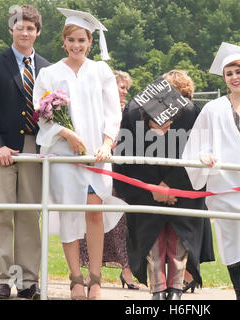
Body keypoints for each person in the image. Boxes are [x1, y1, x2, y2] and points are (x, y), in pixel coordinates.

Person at [33, 8, 123, 300]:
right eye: (71, 39)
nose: (76, 45)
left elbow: (113, 112)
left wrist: (107, 144)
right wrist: (68, 135)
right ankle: (75, 278)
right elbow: (43, 115)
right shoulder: (49, 73)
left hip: (96, 153)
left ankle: (95, 278)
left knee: (94, 211)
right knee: (69, 212)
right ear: (64, 41)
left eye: (82, 40)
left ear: (89, 42)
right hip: (63, 154)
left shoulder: (101, 71)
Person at [181, 42, 240, 300]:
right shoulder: (213, 109)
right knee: (230, 237)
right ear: (224, 78)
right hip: (225, 184)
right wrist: (203, 156)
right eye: (230, 73)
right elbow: (196, 146)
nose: (235, 77)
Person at [0, 4, 50, 300]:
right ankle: (3, 278)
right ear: (11, 30)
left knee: (30, 215)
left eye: (30, 28)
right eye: (19, 27)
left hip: (34, 148)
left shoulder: (46, 67)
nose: (25, 32)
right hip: (1, 151)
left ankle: (29, 279)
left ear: (38, 32)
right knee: (1, 213)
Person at [113, 70, 209, 300]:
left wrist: (169, 185)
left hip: (181, 188)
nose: (165, 128)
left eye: (169, 124)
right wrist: (153, 188)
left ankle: (173, 288)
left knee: (178, 234)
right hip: (146, 190)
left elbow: (197, 153)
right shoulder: (134, 114)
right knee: (152, 234)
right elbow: (126, 158)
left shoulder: (190, 114)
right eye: (159, 124)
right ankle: (160, 288)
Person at [79, 69, 139, 290]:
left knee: (122, 225)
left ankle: (126, 269)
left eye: (126, 88)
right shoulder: (97, 109)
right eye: (120, 87)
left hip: (123, 174)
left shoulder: (132, 110)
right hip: (99, 170)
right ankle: (92, 273)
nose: (123, 91)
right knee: (92, 219)